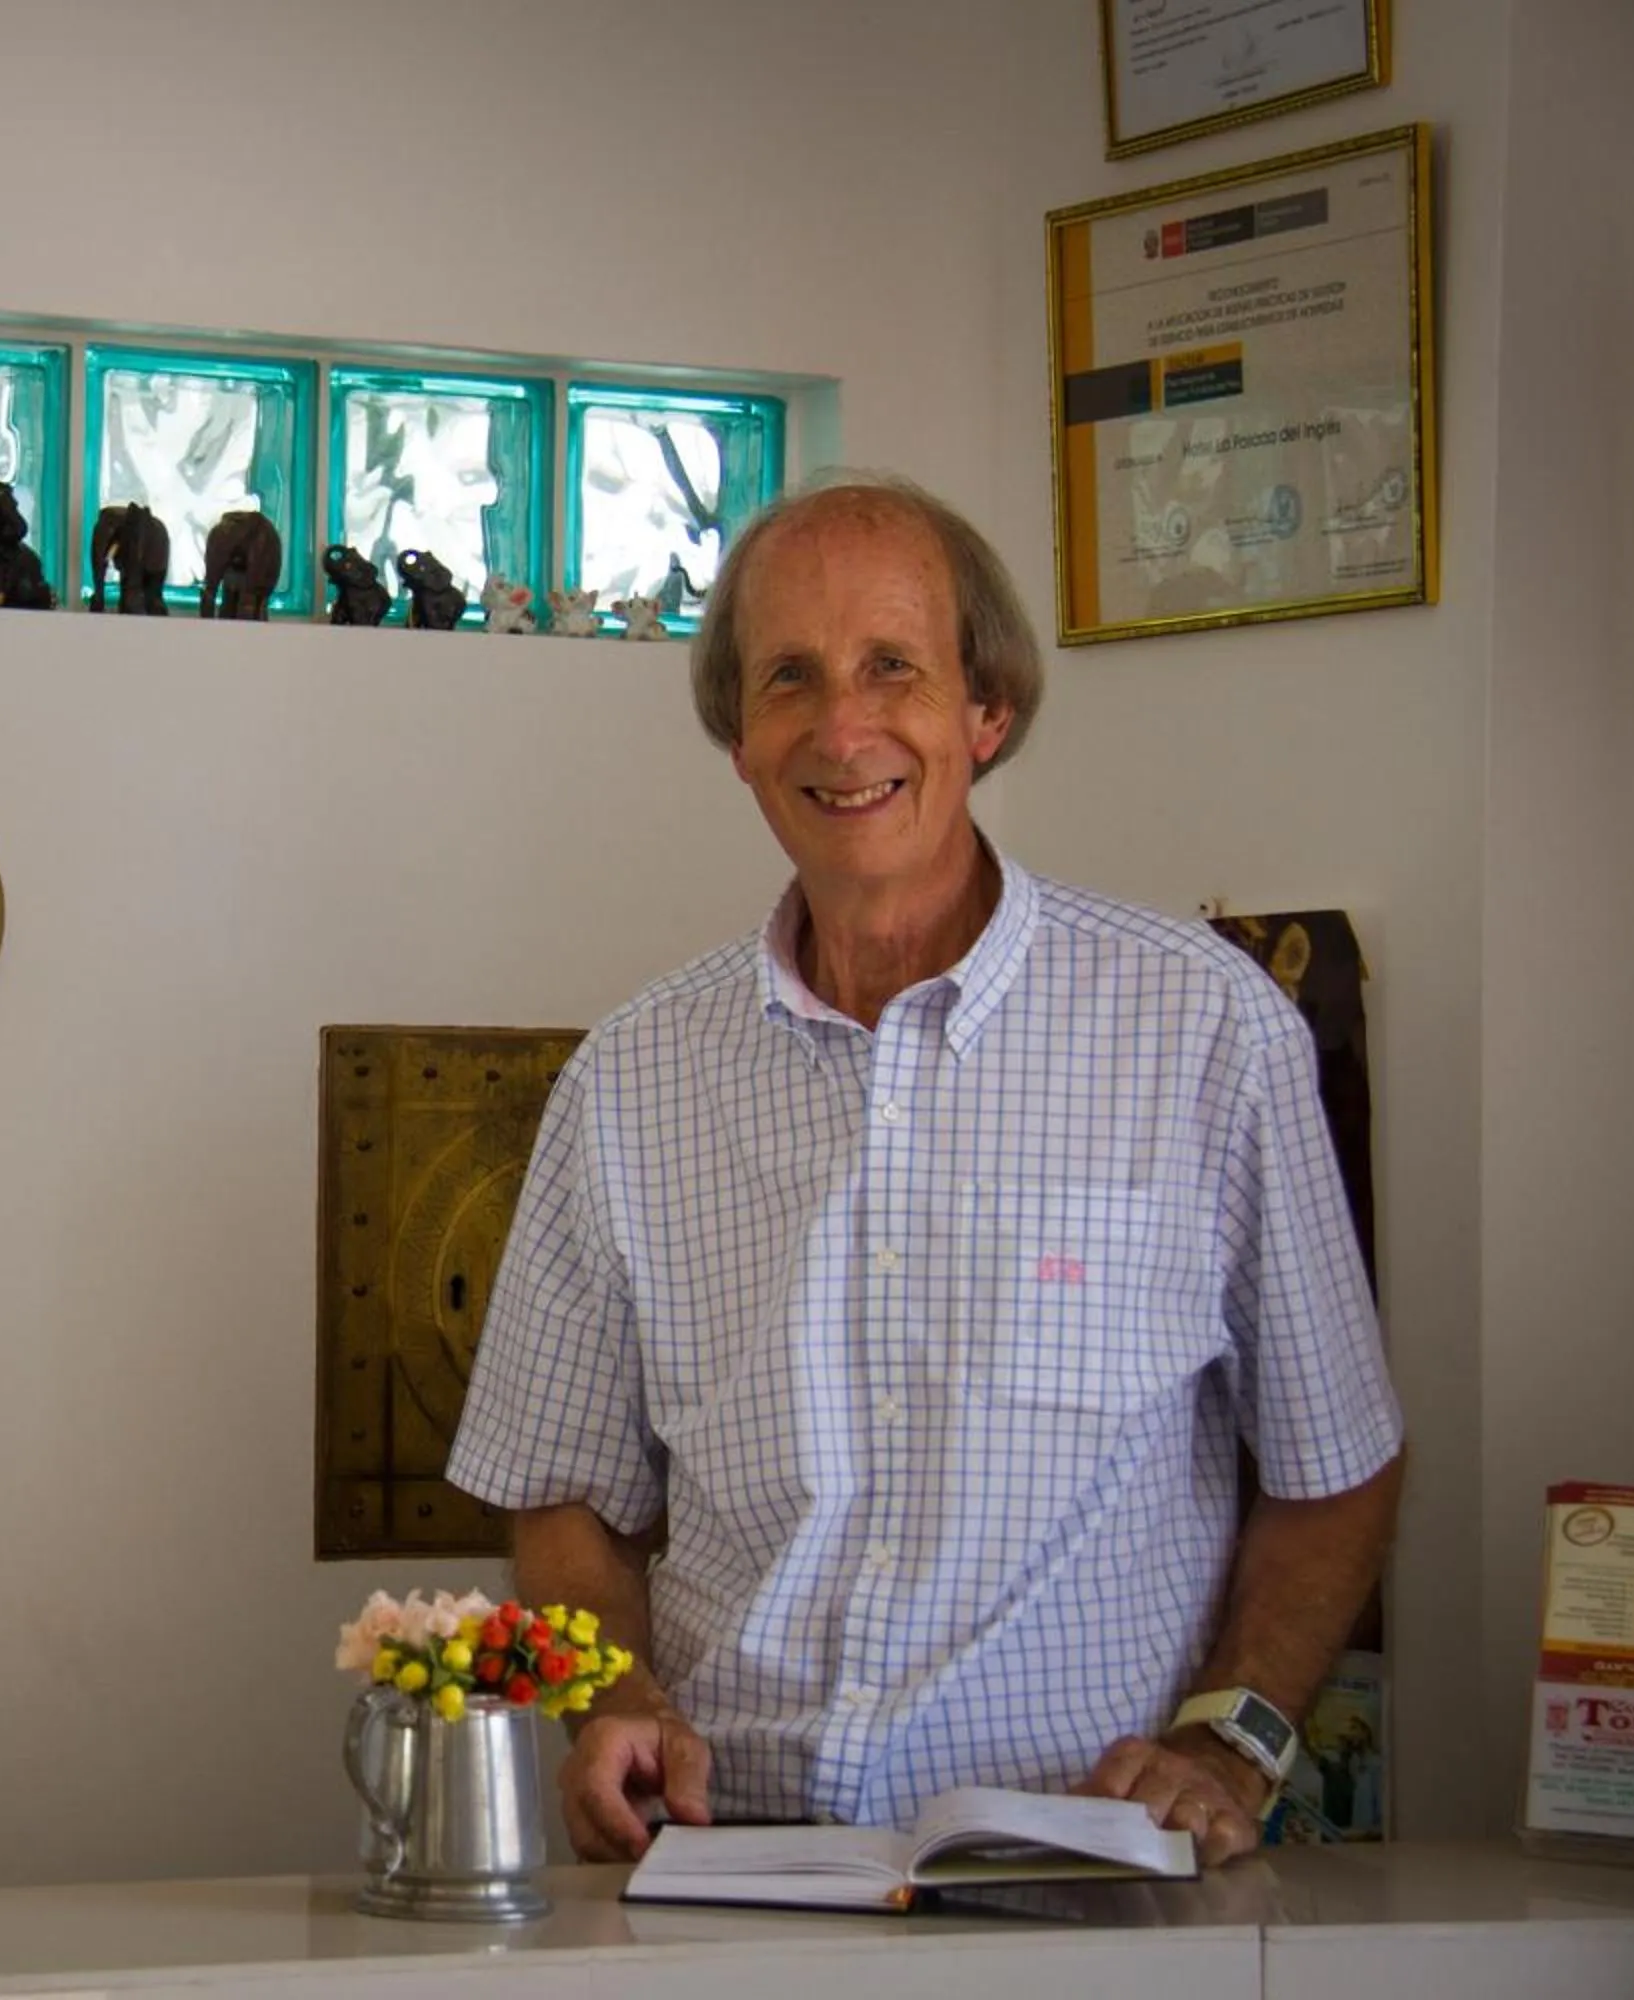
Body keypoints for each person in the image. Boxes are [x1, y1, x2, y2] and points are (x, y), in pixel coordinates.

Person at [445, 472, 1404, 1869]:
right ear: (740, 738)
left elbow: (1337, 1465)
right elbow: (563, 1491)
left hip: (1084, 1863)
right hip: (724, 1870)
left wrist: (1228, 1742)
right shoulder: (630, 1080)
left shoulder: (1202, 1032)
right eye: (790, 679)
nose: (844, 729)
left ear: (985, 712)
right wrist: (615, 1697)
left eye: (893, 667)